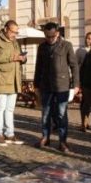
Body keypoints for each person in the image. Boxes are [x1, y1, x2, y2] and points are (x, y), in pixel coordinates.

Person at [33, 22, 79, 153]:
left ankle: (62, 141)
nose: (49, 38)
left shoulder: (67, 45)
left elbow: (74, 66)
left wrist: (76, 84)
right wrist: (36, 85)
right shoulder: (42, 47)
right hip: (46, 86)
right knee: (45, 114)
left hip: (62, 86)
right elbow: (38, 67)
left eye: (51, 36)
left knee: (61, 114)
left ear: (57, 33)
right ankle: (45, 137)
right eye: (47, 36)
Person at [0, 20, 26, 147]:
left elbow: (17, 57)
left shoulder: (15, 42)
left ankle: (10, 134)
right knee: (0, 108)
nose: (15, 34)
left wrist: (22, 59)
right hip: (1, 79)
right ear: (5, 29)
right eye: (13, 31)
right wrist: (11, 58)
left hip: (14, 80)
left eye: (16, 32)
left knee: (10, 109)